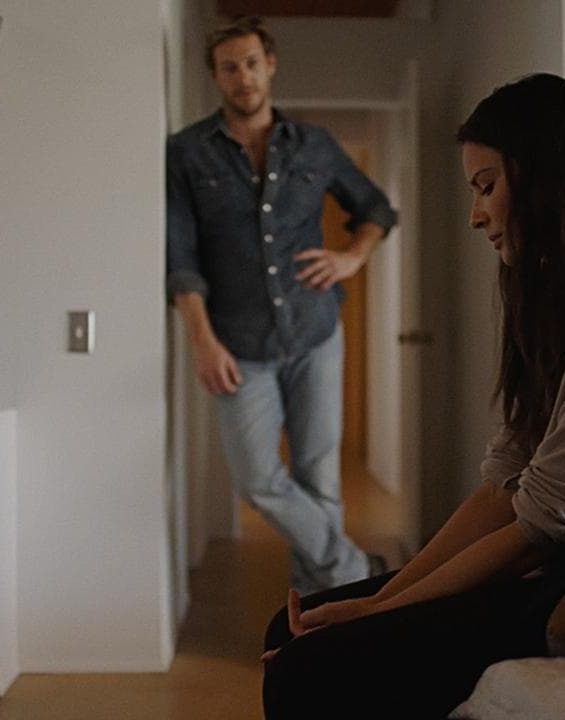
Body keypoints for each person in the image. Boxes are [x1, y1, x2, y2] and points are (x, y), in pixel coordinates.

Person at [260, 72, 565, 719]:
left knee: (310, 668)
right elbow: (504, 489)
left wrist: (381, 612)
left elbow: (540, 530)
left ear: (548, 179)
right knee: (294, 629)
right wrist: (378, 601)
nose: (475, 214)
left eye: (487, 186)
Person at [166, 16, 397, 595]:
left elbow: (375, 207)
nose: (242, 76)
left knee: (320, 479)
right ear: (215, 76)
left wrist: (352, 257)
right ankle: (354, 575)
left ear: (269, 65)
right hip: (237, 344)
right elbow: (180, 255)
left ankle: (319, 615)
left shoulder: (314, 144)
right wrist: (201, 340)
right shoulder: (186, 153)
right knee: (257, 479)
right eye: (229, 67)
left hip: (315, 331)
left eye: (251, 63)